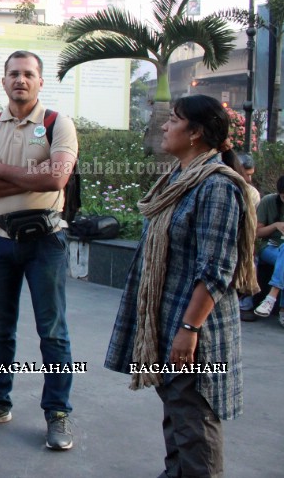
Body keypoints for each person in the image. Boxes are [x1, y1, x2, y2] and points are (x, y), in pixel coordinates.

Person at [105, 94, 258, 477]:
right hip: (168, 313)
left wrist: (189, 329)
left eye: (173, 120)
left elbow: (217, 269)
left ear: (196, 133)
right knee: (176, 408)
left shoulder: (217, 187)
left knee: (194, 416)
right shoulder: (177, 178)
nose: (164, 126)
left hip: (196, 327)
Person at [0, 50, 78, 451]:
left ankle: (57, 413)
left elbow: (58, 177)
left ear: (41, 81)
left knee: (53, 333)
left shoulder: (58, 124)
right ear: (4, 81)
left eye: (28, 74)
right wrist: (33, 179)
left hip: (46, 242)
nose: (20, 80)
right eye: (13, 74)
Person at [252, 175, 284, 324]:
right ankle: (281, 308)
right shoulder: (268, 201)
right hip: (270, 247)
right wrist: (276, 225)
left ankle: (271, 299)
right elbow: (257, 233)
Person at [235, 153, 259, 322]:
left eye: (251, 174)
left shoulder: (251, 193)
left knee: (251, 260)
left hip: (243, 240)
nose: (249, 179)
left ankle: (246, 304)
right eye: (247, 174)